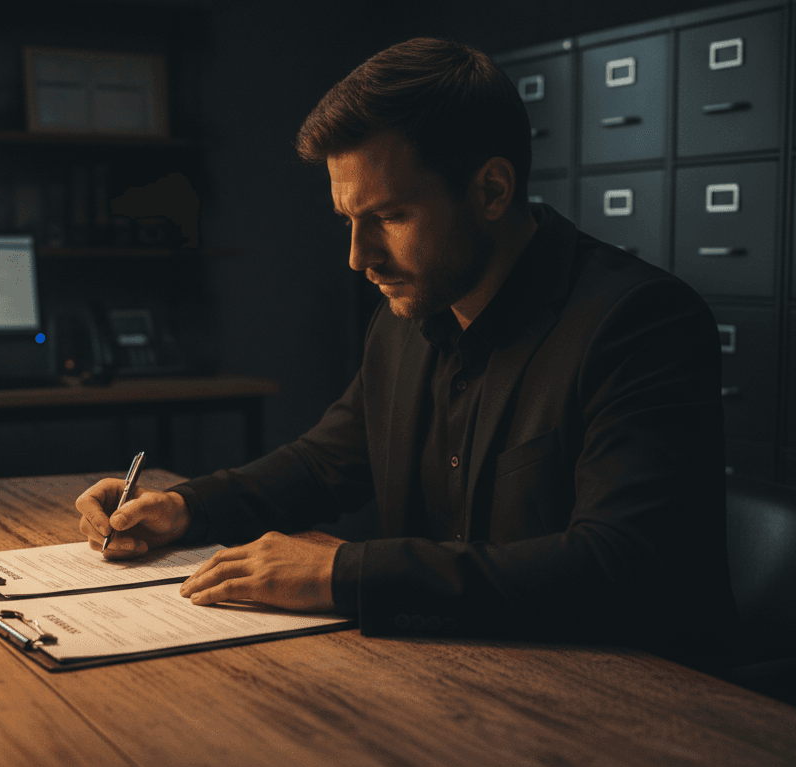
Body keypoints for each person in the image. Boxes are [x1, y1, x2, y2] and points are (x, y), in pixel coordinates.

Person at [77, 37, 738, 666]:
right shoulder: (408, 313)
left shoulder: (639, 322)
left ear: (492, 191)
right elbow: (326, 461)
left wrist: (345, 572)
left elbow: (619, 565)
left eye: (390, 217)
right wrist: (187, 507)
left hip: (625, 698)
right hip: (456, 675)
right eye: (348, 220)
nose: (359, 257)